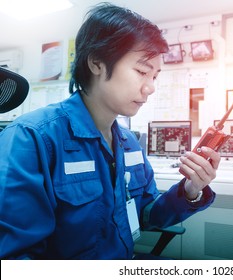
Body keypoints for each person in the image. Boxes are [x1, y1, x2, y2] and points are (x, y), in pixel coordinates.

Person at [0, 2, 219, 259]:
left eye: (155, 76)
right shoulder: (32, 138)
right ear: (96, 63)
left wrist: (191, 190)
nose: (150, 87)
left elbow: (147, 215)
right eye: (141, 71)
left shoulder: (128, 143)